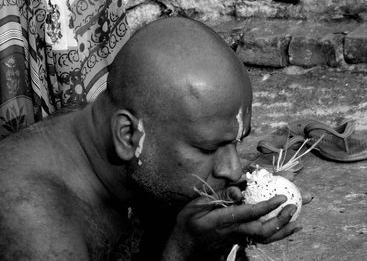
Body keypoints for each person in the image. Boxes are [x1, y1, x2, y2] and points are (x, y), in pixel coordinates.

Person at [0, 17, 308, 260]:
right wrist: (183, 253)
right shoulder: (37, 227)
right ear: (128, 135)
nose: (235, 170)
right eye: (207, 148)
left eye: (236, 143)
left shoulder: (120, 144)